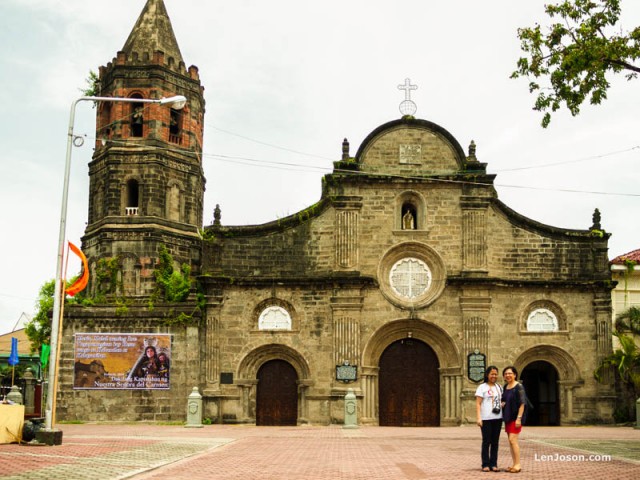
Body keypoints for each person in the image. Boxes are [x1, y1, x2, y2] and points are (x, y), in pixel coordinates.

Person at [475, 365, 503, 472]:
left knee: (495, 442)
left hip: (498, 417)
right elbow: (478, 403)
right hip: (486, 418)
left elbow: (501, 401)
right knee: (486, 441)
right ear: (487, 375)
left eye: (495, 374)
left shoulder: (499, 387)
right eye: (492, 374)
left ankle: (494, 464)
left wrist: (502, 404)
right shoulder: (482, 387)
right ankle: (485, 464)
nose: (494, 376)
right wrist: (479, 418)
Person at [502, 365, 527, 473]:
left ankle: (518, 464)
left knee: (513, 440)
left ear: (515, 375)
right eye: (506, 373)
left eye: (510, 373)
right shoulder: (505, 387)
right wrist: (502, 404)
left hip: (516, 417)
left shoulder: (519, 386)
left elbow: (522, 403)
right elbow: (505, 400)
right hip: (508, 416)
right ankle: (514, 464)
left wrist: (519, 418)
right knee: (510, 441)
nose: (508, 375)